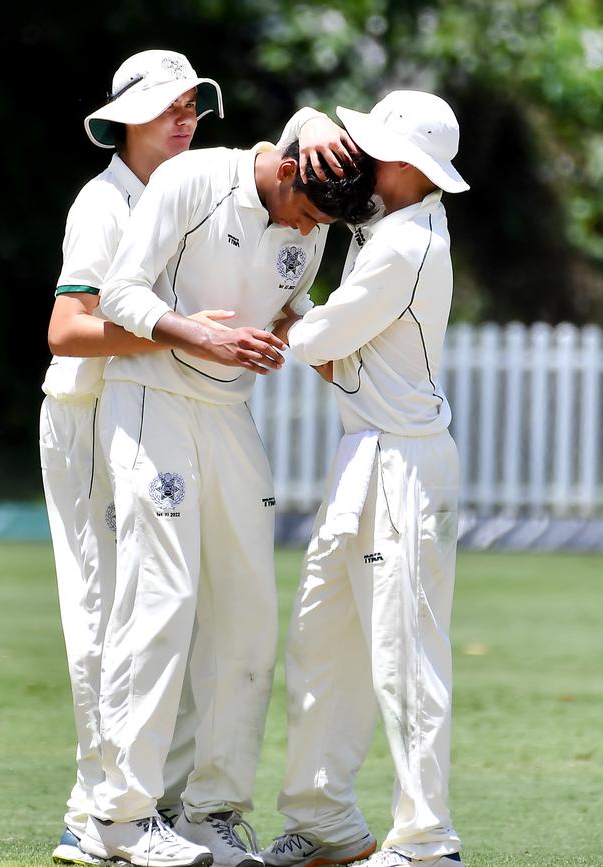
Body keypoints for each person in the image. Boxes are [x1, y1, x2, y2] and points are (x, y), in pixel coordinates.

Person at [76, 115, 376, 867]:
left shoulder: (316, 212)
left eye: (321, 225)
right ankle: (121, 814)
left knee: (249, 611)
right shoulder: (194, 179)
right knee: (161, 599)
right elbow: (118, 292)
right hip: (150, 397)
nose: (308, 232)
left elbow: (282, 302)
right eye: (306, 213)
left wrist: (310, 337)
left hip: (229, 411)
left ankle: (213, 811)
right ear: (283, 171)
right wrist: (195, 333)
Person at [39, 48, 286, 867]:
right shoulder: (102, 202)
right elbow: (67, 330)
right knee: (109, 609)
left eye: (191, 106)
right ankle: (95, 811)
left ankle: (154, 805)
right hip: (86, 410)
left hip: (149, 409)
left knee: (168, 612)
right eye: (166, 107)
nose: (185, 119)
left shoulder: (190, 190)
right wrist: (178, 329)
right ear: (124, 120)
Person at [261, 90, 471, 867]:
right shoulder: (387, 224)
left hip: (407, 467)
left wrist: (294, 320)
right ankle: (326, 824)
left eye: (373, 150)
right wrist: (313, 121)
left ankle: (425, 842)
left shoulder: (404, 246)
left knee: (404, 655)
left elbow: (315, 338)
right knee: (323, 641)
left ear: (410, 168)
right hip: (364, 458)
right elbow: (326, 354)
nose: (355, 162)